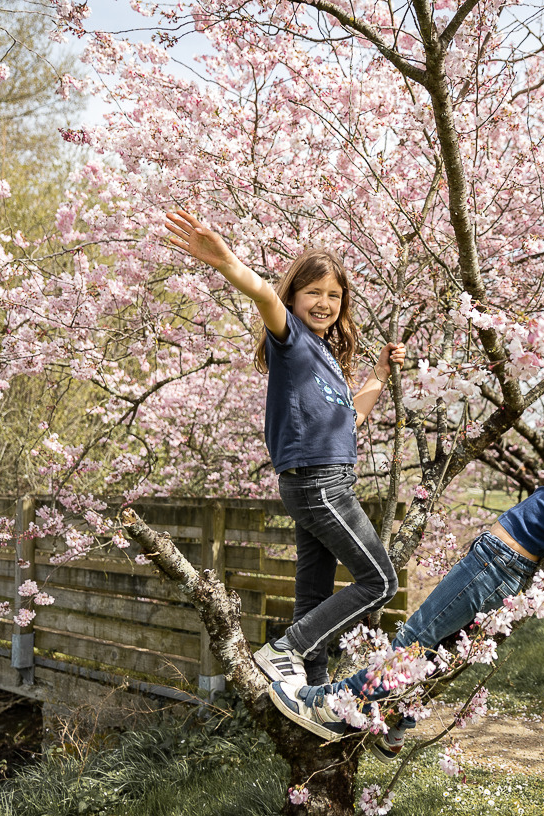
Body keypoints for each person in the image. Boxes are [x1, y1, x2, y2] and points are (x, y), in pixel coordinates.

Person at [268, 430, 544, 757]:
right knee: (432, 654)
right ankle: (393, 725)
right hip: (495, 566)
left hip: (494, 566)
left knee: (414, 641)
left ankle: (323, 705)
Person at [165, 209, 404, 687]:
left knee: (312, 599)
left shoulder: (327, 360)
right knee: (380, 582)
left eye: (334, 295)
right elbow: (260, 293)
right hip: (319, 484)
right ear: (293, 296)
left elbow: (351, 416)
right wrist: (227, 261)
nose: (324, 302)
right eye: (313, 291)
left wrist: (378, 373)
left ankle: (307, 692)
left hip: (325, 483)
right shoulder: (291, 338)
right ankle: (286, 650)